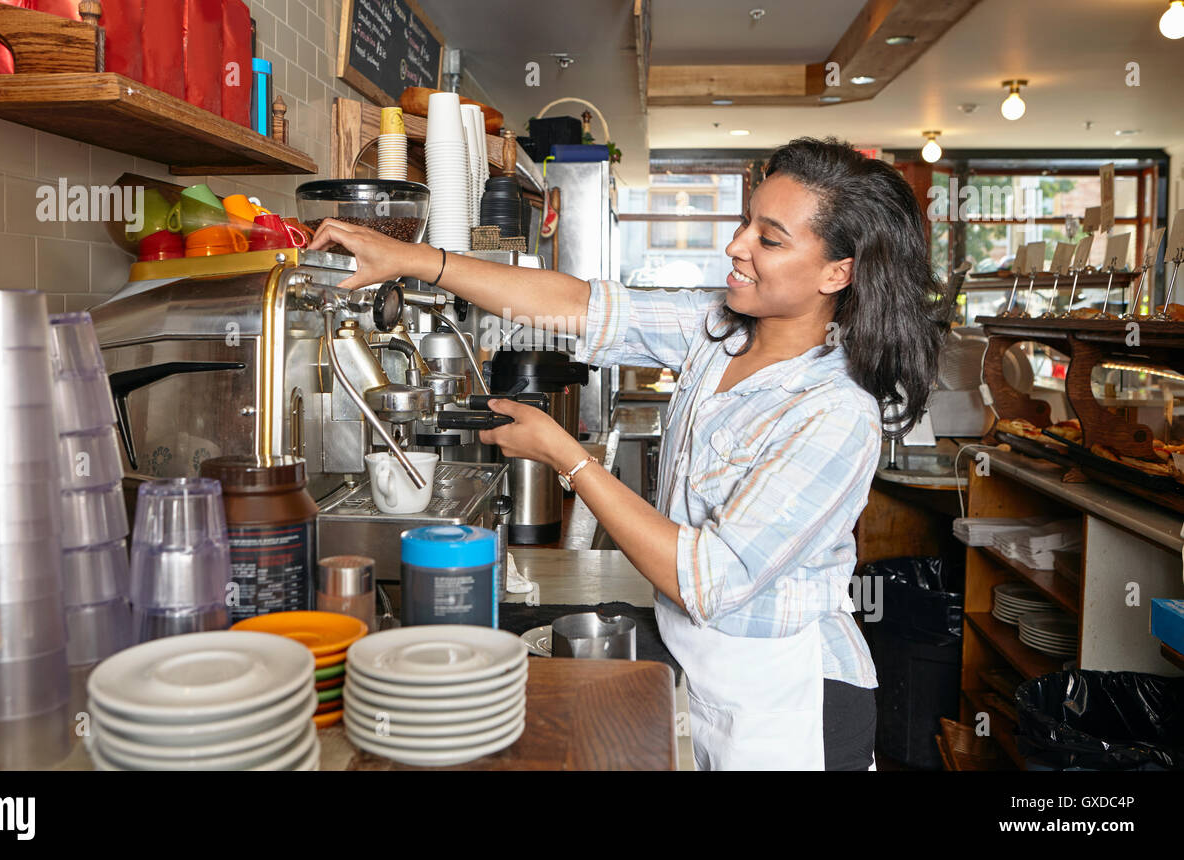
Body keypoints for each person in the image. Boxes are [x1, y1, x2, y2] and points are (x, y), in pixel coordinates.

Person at [310, 137, 944, 770]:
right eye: (745, 221)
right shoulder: (718, 332)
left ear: (839, 272)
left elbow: (707, 580)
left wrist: (569, 457)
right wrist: (410, 259)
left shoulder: (835, 411)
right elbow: (576, 305)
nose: (736, 245)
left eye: (769, 239)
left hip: (792, 703)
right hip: (696, 666)